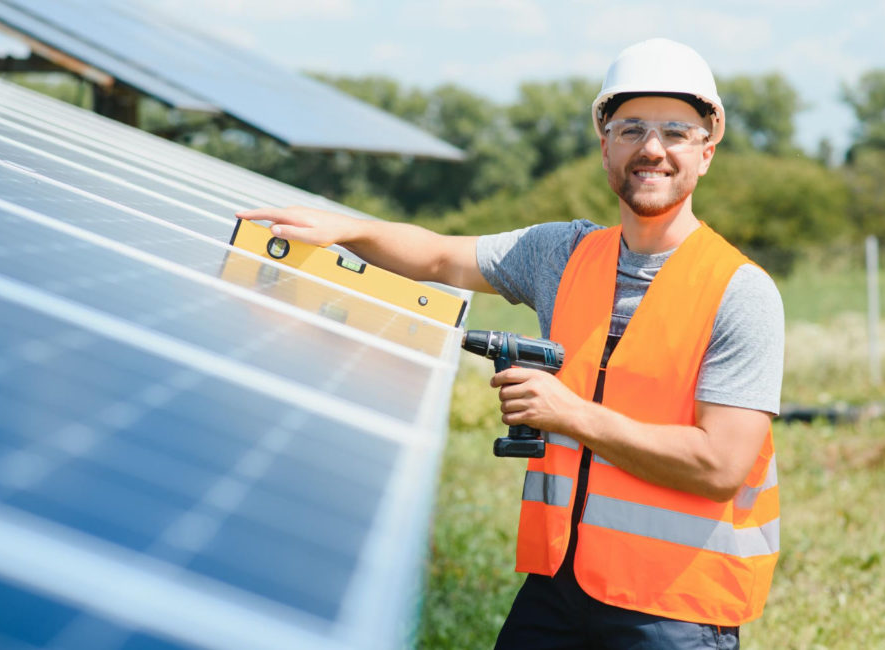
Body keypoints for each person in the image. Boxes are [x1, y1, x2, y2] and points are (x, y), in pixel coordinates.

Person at [237, 38, 783, 650]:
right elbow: (442, 256)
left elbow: (719, 466)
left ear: (706, 151)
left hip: (673, 610)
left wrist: (567, 414)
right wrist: (348, 228)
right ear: (605, 145)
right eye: (631, 129)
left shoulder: (741, 292)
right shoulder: (563, 253)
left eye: (675, 132)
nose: (651, 149)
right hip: (560, 585)